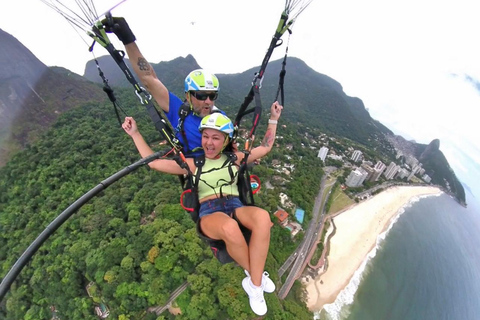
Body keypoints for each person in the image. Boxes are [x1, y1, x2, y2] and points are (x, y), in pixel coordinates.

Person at [122, 101, 283, 316]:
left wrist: (273, 119)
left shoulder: (234, 159)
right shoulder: (192, 163)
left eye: (215, 137)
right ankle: (257, 281)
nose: (209, 142)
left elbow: (265, 147)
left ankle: (254, 282)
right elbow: (154, 163)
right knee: (230, 228)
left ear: (225, 140)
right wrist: (135, 134)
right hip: (209, 213)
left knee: (263, 218)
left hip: (235, 204)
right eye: (205, 136)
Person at [104, 17, 225, 155]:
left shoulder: (221, 118)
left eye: (212, 96)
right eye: (202, 95)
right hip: (194, 172)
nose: (208, 101)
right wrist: (127, 37)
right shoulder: (180, 112)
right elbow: (149, 79)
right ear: (188, 96)